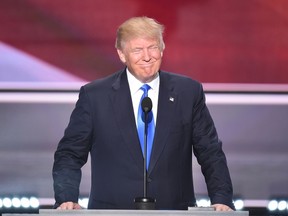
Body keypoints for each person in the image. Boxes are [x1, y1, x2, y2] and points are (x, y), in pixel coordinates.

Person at [53, 16, 235, 211]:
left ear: (162, 48)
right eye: (137, 50)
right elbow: (70, 154)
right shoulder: (95, 96)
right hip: (111, 212)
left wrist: (222, 198)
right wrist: (66, 198)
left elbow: (210, 152)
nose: (147, 56)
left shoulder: (188, 92)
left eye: (153, 47)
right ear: (122, 54)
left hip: (174, 211)